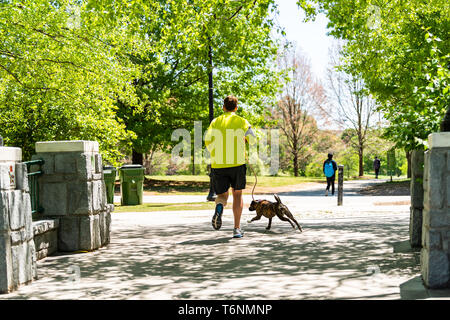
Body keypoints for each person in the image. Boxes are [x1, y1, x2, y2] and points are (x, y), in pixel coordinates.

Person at [205, 95, 255, 238]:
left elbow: (208, 141)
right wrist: (244, 140)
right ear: (236, 108)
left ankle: (219, 207)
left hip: (219, 164)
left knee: (221, 195)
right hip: (237, 164)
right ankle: (237, 229)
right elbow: (252, 140)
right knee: (237, 195)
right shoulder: (242, 121)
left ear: (223, 107)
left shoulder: (215, 122)